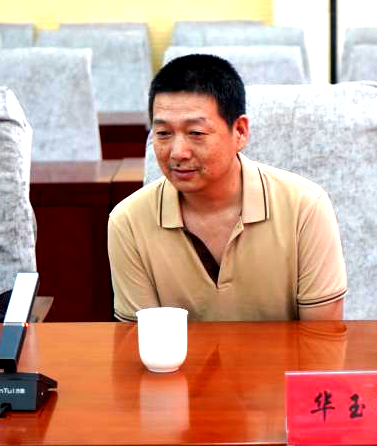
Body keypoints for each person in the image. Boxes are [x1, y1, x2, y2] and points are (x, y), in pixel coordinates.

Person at [108, 54, 347, 322]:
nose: (177, 152)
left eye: (196, 133)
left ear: (240, 132)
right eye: (163, 134)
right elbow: (141, 338)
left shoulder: (305, 208)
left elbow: (321, 337)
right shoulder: (128, 221)